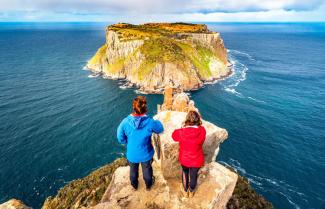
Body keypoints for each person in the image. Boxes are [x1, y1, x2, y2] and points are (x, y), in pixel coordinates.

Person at [117, 96, 164, 191]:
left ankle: (134, 186)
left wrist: (127, 142)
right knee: (147, 171)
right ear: (145, 108)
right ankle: (148, 186)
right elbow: (160, 129)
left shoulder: (125, 122)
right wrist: (157, 121)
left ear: (134, 107)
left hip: (132, 153)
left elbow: (120, 137)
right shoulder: (150, 122)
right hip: (146, 153)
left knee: (133, 172)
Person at [171, 110, 206, 198]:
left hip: (185, 159)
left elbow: (173, 136)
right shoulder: (202, 131)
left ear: (187, 120)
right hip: (197, 160)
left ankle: (185, 190)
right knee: (193, 176)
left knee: (185, 174)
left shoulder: (182, 132)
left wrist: (182, 127)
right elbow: (201, 130)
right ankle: (191, 191)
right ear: (198, 120)